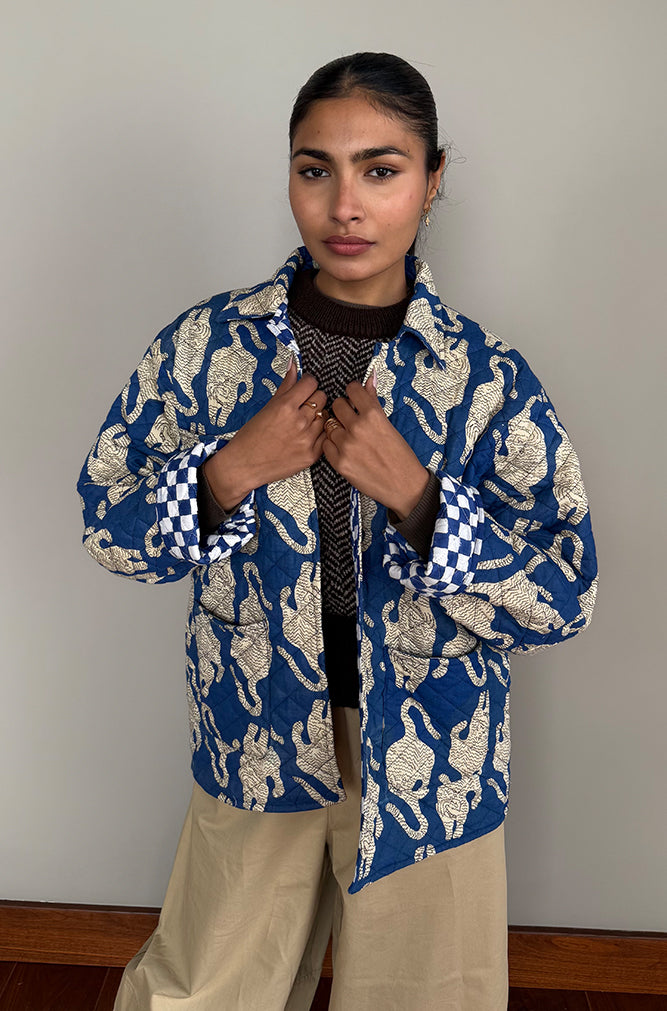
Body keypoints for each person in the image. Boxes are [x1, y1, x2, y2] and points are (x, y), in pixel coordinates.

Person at [78, 51, 597, 1011]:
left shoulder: (486, 380)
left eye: (380, 169)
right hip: (256, 728)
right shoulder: (206, 348)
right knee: (200, 991)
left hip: (433, 747)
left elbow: (563, 595)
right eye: (315, 169)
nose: (344, 205)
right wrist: (230, 470)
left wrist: (422, 501)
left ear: (432, 179)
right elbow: (109, 525)